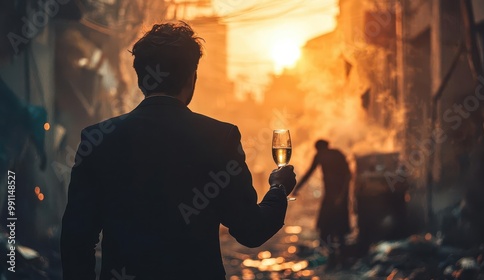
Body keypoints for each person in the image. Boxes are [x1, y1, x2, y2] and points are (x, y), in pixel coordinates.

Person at [60, 21, 296, 280]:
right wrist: (278, 188)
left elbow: (77, 240)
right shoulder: (220, 137)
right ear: (191, 76)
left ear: (141, 79)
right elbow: (252, 230)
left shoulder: (98, 139)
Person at [291, 139, 351, 270]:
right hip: (333, 196)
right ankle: (336, 259)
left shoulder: (329, 155)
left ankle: (339, 259)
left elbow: (347, 175)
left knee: (334, 228)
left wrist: (341, 195)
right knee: (332, 228)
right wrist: (297, 188)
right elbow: (310, 172)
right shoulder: (330, 155)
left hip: (337, 196)